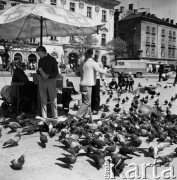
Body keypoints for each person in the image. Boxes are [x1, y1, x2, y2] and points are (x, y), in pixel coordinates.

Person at [75, 48, 107, 119]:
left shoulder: (83, 62)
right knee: (87, 102)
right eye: (94, 53)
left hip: (82, 84)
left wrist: (84, 74)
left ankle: (86, 115)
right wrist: (105, 69)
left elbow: (76, 73)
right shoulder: (93, 63)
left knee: (84, 100)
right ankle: (77, 116)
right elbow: (102, 71)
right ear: (92, 54)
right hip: (88, 85)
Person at [36, 46, 59, 119]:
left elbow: (56, 72)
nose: (38, 55)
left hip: (51, 80)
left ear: (43, 52)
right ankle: (44, 116)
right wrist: (39, 72)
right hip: (42, 80)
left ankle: (55, 115)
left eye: (39, 53)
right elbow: (38, 70)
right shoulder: (40, 60)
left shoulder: (52, 59)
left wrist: (48, 75)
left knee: (53, 98)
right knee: (43, 99)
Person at [91, 50, 106, 115]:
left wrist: (103, 79)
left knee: (96, 95)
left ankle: (96, 109)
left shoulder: (99, 63)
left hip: (97, 79)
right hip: (90, 79)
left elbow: (102, 72)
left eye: (96, 57)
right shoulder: (90, 62)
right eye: (95, 56)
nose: (96, 58)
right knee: (91, 94)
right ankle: (91, 107)